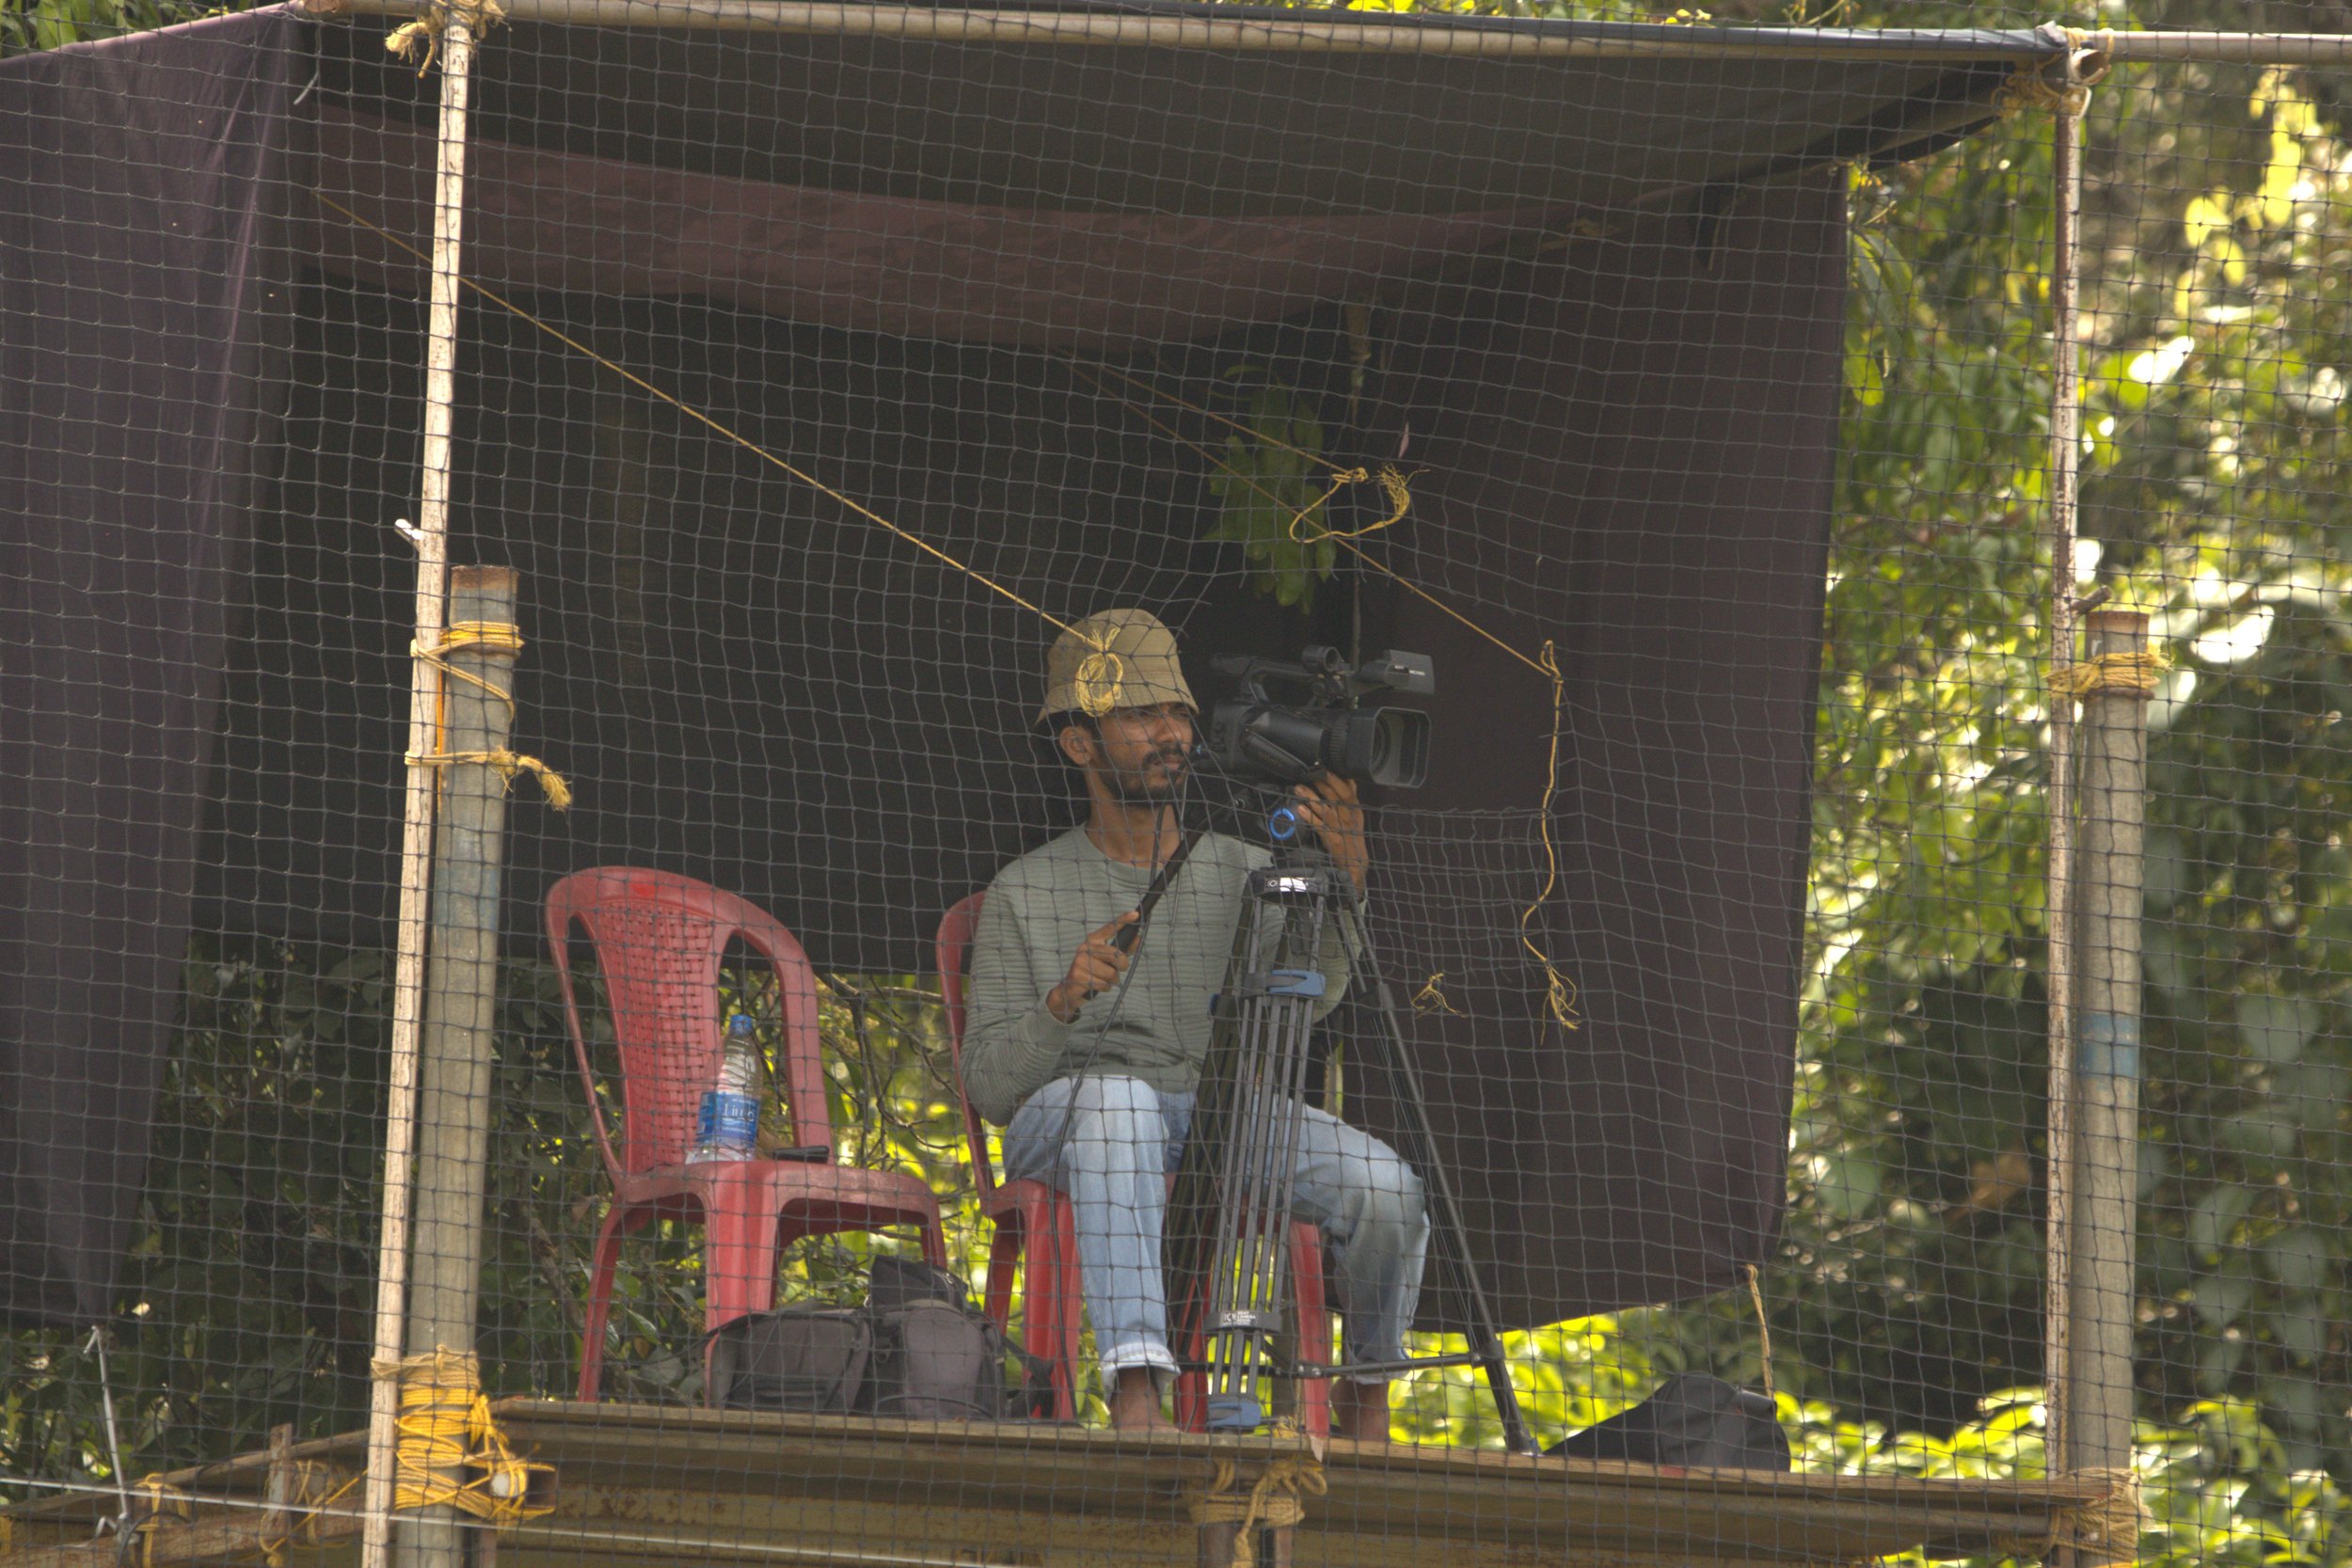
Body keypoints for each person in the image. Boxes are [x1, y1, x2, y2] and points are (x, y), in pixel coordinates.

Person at [961, 608, 1428, 1440]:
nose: (1169, 732)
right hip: (1070, 1119)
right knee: (1120, 1105)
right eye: (1141, 716)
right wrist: (1061, 1002)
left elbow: (1311, 999)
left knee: (1387, 1184)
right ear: (1080, 744)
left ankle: (1367, 1392)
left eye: (1176, 713)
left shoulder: (1245, 866)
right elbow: (994, 1090)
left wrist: (1349, 883)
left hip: (1214, 1113)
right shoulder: (1021, 892)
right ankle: (1139, 1386)